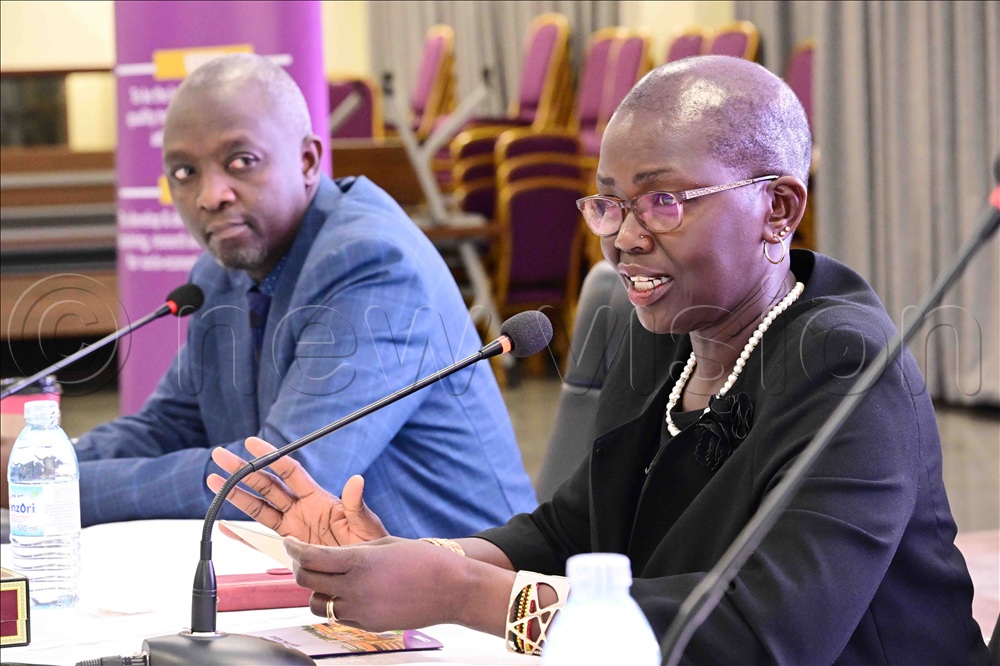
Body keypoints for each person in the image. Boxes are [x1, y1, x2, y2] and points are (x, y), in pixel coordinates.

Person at [209, 56, 990, 663]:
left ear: (778, 209)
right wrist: (407, 558)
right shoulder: (660, 338)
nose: (622, 235)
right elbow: (571, 530)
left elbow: (764, 638)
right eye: (609, 201)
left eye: (664, 201)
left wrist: (462, 593)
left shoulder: (846, 368)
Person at [0, 53, 537, 536]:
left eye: (240, 161)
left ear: (307, 161)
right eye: (185, 173)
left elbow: (277, 483)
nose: (211, 195)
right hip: (327, 581)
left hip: (457, 596)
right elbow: (167, 424)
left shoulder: (372, 264)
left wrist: (46, 489)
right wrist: (48, 463)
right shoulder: (221, 271)